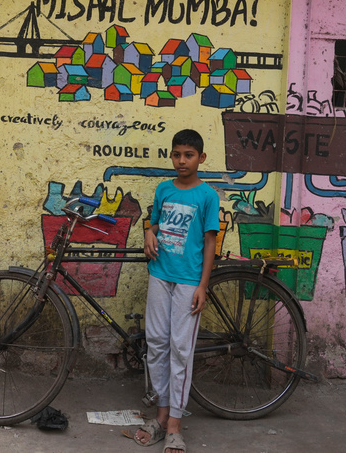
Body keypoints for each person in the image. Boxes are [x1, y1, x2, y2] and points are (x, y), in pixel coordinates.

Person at [135, 129, 219, 453]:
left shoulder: (207, 196)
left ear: (201, 158)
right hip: (159, 274)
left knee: (180, 349)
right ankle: (159, 415)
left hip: (187, 282)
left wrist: (203, 286)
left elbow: (211, 242)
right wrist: (147, 232)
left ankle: (174, 425)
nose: (182, 160)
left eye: (189, 155)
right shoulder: (163, 189)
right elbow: (154, 223)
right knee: (156, 344)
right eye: (177, 154)